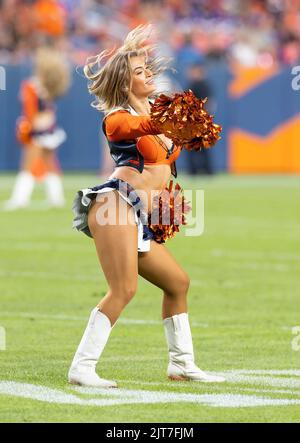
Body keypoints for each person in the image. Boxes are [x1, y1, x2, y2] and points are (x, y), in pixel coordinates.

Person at [68, 25, 225, 387]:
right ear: (125, 84)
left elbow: (166, 145)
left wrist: (194, 133)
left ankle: (182, 364)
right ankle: (82, 367)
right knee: (123, 289)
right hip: (114, 205)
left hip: (137, 213)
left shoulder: (158, 119)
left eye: (147, 68)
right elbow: (142, 125)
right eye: (139, 72)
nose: (148, 73)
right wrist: (175, 121)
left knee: (177, 283)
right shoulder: (118, 117)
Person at [4, 47, 70, 210]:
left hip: (38, 130)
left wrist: (27, 127)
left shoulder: (33, 85)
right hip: (50, 129)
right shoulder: (48, 86)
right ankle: (57, 199)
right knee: (50, 165)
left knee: (27, 165)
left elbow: (30, 111)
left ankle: (20, 199)